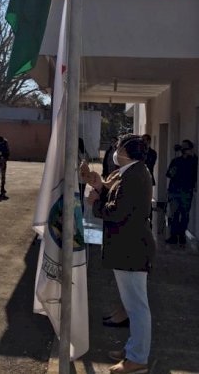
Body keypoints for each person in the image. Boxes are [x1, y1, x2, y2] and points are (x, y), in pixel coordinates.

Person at [84, 134, 155, 374]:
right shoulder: (132, 173)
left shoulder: (134, 176)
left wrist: (95, 203)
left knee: (136, 306)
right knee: (132, 305)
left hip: (131, 249)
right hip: (129, 249)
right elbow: (119, 201)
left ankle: (137, 359)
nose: (115, 151)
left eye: (118, 148)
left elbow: (118, 211)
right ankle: (134, 349)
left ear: (127, 153)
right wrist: (100, 187)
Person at [165, 139, 199, 246]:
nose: (183, 149)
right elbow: (169, 174)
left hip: (186, 191)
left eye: (186, 147)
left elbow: (196, 173)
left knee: (185, 214)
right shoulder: (176, 161)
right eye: (182, 147)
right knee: (174, 214)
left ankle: (182, 235)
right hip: (174, 190)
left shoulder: (193, 161)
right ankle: (174, 235)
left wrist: (191, 154)